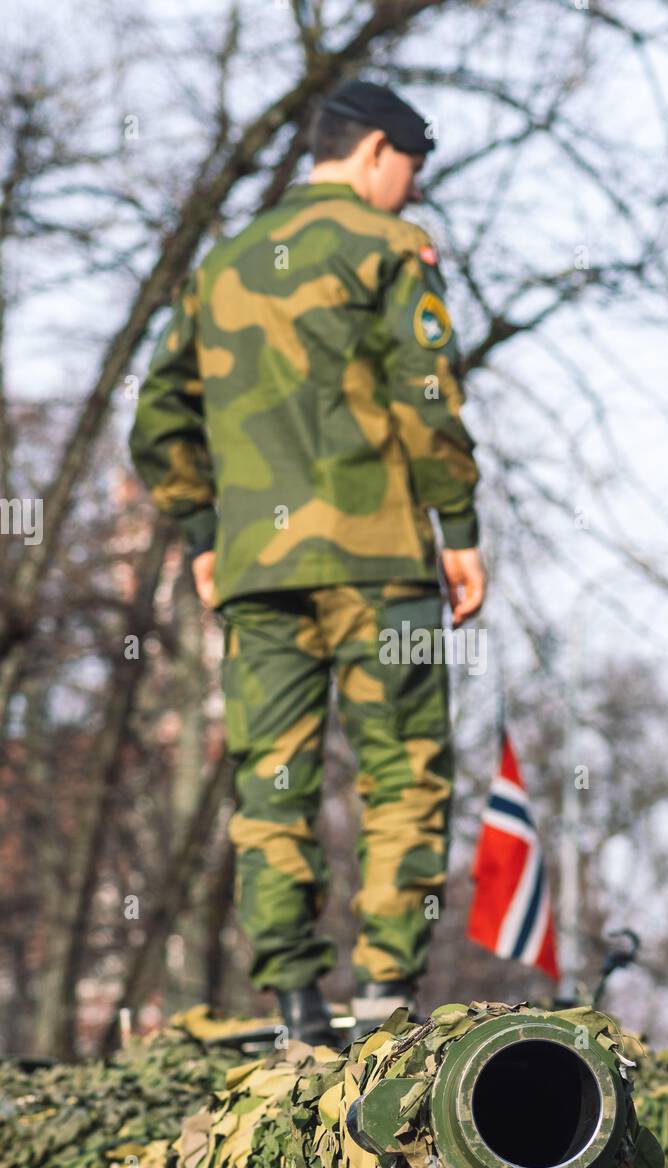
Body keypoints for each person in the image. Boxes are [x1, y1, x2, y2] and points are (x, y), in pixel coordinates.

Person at [129, 79, 484, 1045]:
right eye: (409, 169)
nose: (411, 191)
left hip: (260, 575)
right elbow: (426, 394)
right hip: (383, 568)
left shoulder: (225, 263)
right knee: (403, 774)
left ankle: (293, 1003)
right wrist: (458, 529)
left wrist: (204, 537)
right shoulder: (390, 250)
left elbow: (157, 418)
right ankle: (381, 1001)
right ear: (376, 152)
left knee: (271, 782)